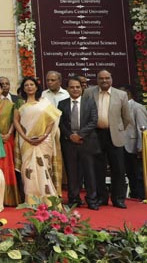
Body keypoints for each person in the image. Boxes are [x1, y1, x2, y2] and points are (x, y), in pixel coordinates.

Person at [82, 69, 131, 208]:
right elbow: (84, 114)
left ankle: (118, 199)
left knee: (118, 168)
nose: (104, 81)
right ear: (97, 80)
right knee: (98, 168)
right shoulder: (88, 93)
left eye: (107, 78)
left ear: (111, 79)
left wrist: (118, 129)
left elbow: (126, 118)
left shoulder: (121, 95)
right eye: (101, 78)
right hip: (95, 135)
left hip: (114, 135)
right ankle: (101, 198)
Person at [14, 76, 62, 204]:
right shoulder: (20, 104)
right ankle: (31, 200)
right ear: (23, 89)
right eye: (26, 85)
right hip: (26, 141)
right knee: (28, 170)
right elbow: (16, 122)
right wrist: (25, 137)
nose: (29, 87)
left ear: (36, 87)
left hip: (44, 141)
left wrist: (45, 135)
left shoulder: (44, 102)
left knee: (44, 169)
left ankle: (48, 199)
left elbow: (52, 120)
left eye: (32, 85)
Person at [58, 77, 100, 209]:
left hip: (86, 142)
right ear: (67, 89)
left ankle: (92, 200)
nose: (75, 89)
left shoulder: (90, 102)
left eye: (77, 87)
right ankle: (74, 199)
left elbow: (93, 121)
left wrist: (80, 135)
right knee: (72, 173)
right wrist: (70, 136)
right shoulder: (62, 103)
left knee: (90, 173)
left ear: (82, 88)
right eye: (72, 87)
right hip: (69, 143)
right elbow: (61, 123)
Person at [120, 85, 147, 200]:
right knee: (126, 172)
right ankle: (130, 195)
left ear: (128, 94)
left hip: (133, 145)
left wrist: (141, 146)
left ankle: (139, 195)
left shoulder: (137, 107)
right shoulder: (118, 107)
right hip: (120, 144)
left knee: (136, 173)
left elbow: (142, 129)